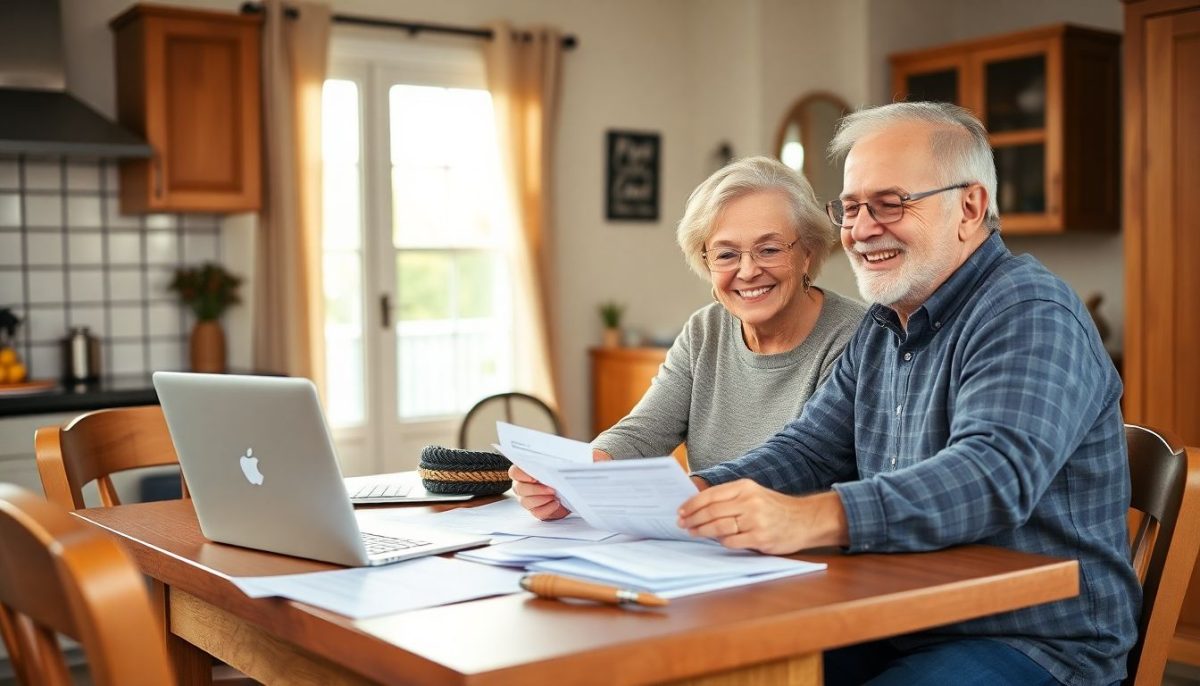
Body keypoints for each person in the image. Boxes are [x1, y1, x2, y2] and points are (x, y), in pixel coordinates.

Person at [676, 102, 1138, 686]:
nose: (861, 229)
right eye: (850, 208)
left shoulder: (1030, 312)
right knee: (716, 664)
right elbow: (809, 451)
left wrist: (815, 517)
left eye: (890, 203)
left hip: (1037, 639)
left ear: (969, 207)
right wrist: (687, 495)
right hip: (905, 615)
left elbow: (991, 475)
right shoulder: (884, 324)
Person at [512, 156, 866, 520]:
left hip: (805, 546)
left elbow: (807, 459)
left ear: (807, 254)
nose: (748, 270)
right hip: (707, 540)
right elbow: (643, 433)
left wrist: (692, 493)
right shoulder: (705, 330)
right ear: (706, 262)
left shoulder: (857, 335)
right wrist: (571, 481)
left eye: (770, 249)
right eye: (726, 254)